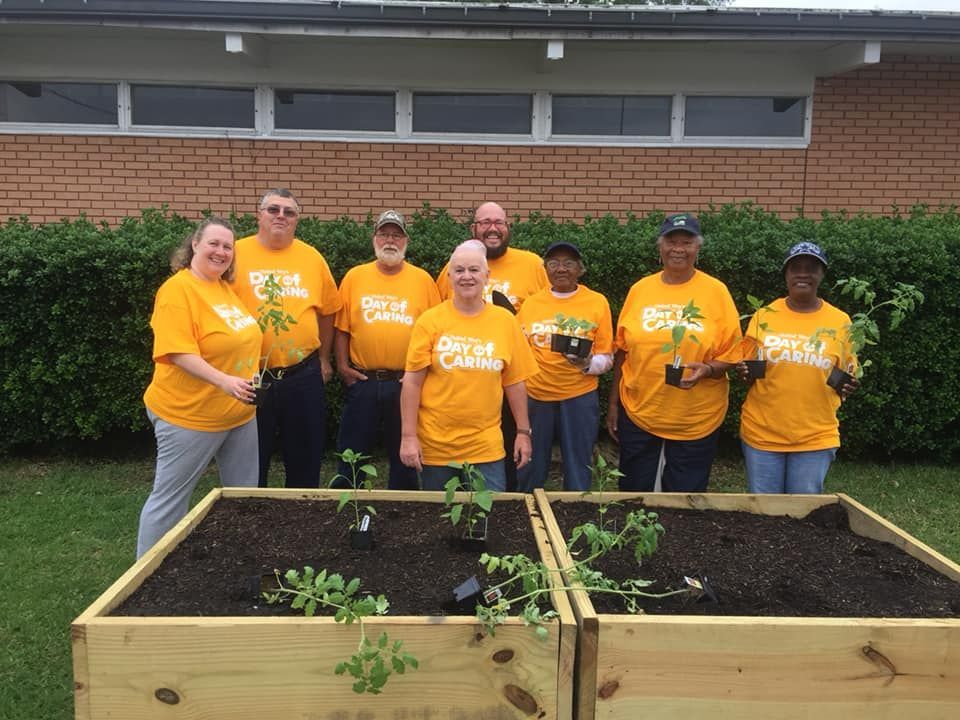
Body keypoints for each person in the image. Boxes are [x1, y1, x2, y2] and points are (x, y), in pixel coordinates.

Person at [137, 218, 261, 558]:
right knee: (169, 500)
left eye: (227, 246)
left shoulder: (222, 288)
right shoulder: (178, 291)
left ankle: (236, 562)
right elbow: (177, 352)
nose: (221, 252)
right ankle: (145, 577)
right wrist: (225, 381)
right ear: (195, 245)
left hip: (238, 413)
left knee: (242, 496)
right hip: (189, 416)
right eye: (214, 244)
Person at [607, 213, 741, 492]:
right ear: (660, 246)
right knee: (634, 495)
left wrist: (709, 369)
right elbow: (622, 350)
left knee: (685, 503)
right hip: (641, 410)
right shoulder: (640, 290)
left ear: (697, 248)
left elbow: (732, 352)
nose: (678, 248)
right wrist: (613, 405)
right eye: (671, 241)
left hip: (695, 416)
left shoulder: (716, 292)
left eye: (686, 242)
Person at [399, 239, 538, 491]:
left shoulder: (505, 321)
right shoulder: (429, 322)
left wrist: (523, 433)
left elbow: (515, 382)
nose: (466, 277)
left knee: (486, 519)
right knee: (439, 521)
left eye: (474, 270)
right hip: (435, 445)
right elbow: (412, 381)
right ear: (449, 276)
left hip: (486, 447)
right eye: (459, 270)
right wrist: (408, 437)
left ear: (487, 275)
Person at [233, 189, 342, 488]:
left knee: (306, 457)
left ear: (297, 220)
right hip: (250, 374)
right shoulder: (235, 253)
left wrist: (323, 359)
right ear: (259, 214)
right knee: (252, 459)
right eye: (273, 210)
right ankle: (252, 517)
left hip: (303, 373)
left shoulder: (311, 258)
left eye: (289, 212)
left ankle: (303, 519)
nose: (281, 216)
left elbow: (328, 310)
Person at [436, 202, 548, 491]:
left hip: (511, 374)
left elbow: (548, 308)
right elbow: (438, 321)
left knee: (512, 451)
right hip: (467, 379)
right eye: (485, 222)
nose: (492, 228)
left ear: (508, 228)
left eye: (499, 222)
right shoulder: (451, 269)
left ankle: (510, 504)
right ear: (473, 229)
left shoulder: (532, 264)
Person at [737, 241, 858, 494]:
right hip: (763, 433)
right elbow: (748, 370)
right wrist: (744, 372)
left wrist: (849, 385)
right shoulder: (764, 315)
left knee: (803, 517)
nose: (803, 274)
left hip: (815, 435)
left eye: (811, 268)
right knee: (763, 513)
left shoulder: (840, 321)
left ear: (821, 275)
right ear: (786, 275)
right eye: (796, 268)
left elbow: (847, 375)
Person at [333, 210, 441, 490]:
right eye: (384, 234)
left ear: (406, 240)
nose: (390, 240)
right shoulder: (355, 277)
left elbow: (437, 332)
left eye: (396, 234)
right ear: (374, 238)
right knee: (352, 451)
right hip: (364, 380)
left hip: (405, 382)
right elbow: (342, 328)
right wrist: (343, 367)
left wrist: (422, 374)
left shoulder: (423, 280)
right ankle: (347, 503)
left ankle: (403, 511)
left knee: (404, 452)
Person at [516, 241, 614, 491]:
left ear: (580, 269)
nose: (561, 269)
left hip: (578, 396)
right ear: (545, 269)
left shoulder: (596, 302)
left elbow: (607, 356)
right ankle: (527, 512)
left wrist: (587, 363)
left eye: (569, 263)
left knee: (579, 463)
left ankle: (578, 516)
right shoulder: (531, 304)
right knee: (530, 462)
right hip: (536, 396)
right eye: (554, 263)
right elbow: (519, 350)